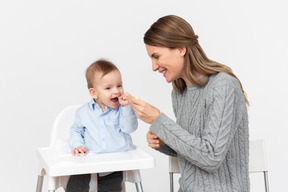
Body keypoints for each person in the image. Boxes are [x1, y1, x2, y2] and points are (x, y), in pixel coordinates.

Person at [127, 15, 250, 192]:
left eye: (156, 56)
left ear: (180, 49)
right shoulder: (180, 93)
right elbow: (193, 151)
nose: (154, 66)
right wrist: (163, 140)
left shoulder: (223, 86)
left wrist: (159, 120)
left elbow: (211, 157)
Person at [66, 59, 138, 192]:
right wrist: (77, 145)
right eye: (108, 88)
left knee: (111, 187)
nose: (116, 91)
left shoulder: (122, 110)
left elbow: (129, 128)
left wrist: (127, 108)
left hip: (114, 164)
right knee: (75, 185)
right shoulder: (84, 112)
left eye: (119, 85)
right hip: (87, 161)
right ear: (94, 93)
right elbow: (76, 130)